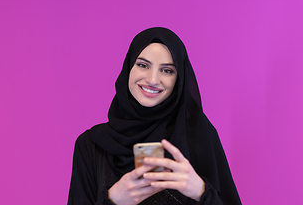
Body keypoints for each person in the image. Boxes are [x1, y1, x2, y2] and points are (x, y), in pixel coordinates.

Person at [68, 27, 242, 204]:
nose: (152, 80)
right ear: (128, 67)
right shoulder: (91, 145)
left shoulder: (201, 137)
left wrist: (201, 192)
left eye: (166, 70)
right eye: (143, 65)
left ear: (179, 79)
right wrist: (113, 200)